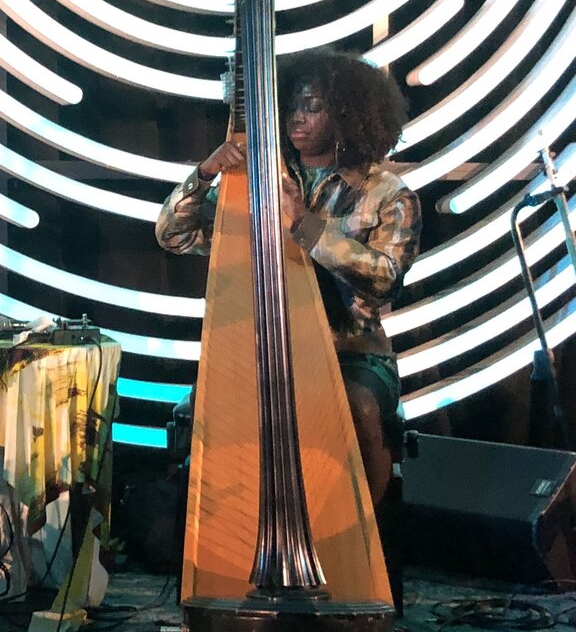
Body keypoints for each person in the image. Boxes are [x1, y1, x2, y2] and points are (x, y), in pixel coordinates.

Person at [156, 48, 419, 509]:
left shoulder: (388, 194)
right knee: (209, 402)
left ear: (348, 116)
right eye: (292, 105)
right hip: (267, 347)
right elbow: (174, 236)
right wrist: (204, 174)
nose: (297, 117)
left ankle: (366, 531)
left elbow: (385, 279)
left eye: (312, 107)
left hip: (352, 351)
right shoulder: (261, 181)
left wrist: (304, 225)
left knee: (355, 407)